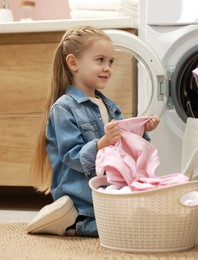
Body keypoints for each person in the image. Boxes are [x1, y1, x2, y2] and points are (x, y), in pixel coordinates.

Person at [26, 25, 160, 237]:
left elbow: (124, 146)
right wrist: (102, 143)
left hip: (107, 192)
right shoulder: (64, 108)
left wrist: (141, 131)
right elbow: (72, 157)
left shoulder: (109, 106)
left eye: (110, 61)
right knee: (123, 230)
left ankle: (95, 217)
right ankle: (70, 222)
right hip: (82, 199)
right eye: (100, 60)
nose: (108, 67)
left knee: (150, 220)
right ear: (73, 63)